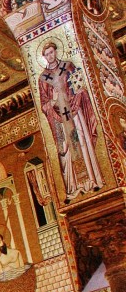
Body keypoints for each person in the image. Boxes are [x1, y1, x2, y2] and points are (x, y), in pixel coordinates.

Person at [37, 41, 103, 201]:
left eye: (51, 52)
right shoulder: (42, 78)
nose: (50, 56)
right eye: (47, 54)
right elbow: (44, 105)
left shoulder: (68, 66)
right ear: (44, 57)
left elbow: (80, 86)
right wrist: (52, 100)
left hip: (74, 111)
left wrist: (75, 97)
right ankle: (72, 188)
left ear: (56, 51)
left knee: (82, 142)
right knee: (65, 149)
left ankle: (93, 181)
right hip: (58, 119)